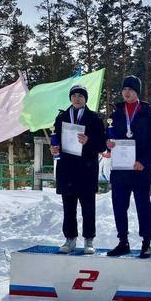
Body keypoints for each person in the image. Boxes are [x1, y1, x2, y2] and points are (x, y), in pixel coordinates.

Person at [106, 75, 151, 258]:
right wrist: (106, 143)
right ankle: (122, 241)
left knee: (143, 207)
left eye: (131, 89)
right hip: (120, 170)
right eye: (124, 89)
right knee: (119, 206)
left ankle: (146, 242)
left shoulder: (149, 115)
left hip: (140, 169)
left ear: (136, 92)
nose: (127, 92)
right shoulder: (114, 115)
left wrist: (144, 161)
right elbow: (106, 138)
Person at [51, 85, 106, 254]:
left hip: (86, 169)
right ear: (70, 98)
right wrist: (54, 149)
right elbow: (56, 140)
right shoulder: (61, 118)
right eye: (74, 95)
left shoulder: (94, 118)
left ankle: (89, 240)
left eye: (81, 96)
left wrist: (89, 140)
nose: (77, 98)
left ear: (85, 99)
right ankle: (70, 239)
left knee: (88, 206)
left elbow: (102, 144)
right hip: (67, 168)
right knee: (68, 207)